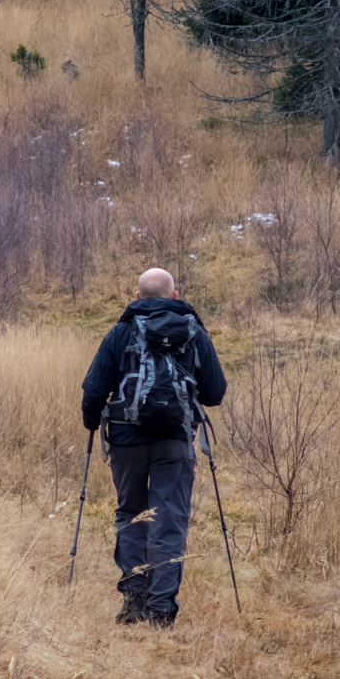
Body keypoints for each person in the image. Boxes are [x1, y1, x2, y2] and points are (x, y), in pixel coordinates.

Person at [81, 268, 227, 629]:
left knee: (131, 513)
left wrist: (90, 421)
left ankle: (134, 600)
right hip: (174, 440)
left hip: (127, 439)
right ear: (174, 295)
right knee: (170, 519)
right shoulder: (193, 332)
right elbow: (215, 393)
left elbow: (95, 388)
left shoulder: (121, 331)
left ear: (137, 295)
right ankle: (161, 611)